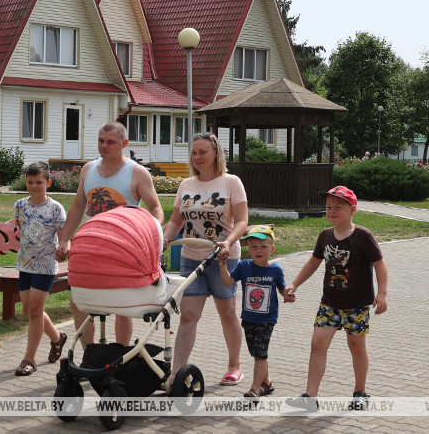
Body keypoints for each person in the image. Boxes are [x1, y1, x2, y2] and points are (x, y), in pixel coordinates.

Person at [55, 121, 163, 346]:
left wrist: (151, 235)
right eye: (101, 141)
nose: (104, 146)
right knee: (78, 302)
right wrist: (64, 239)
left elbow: (156, 208)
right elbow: (77, 206)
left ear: (124, 143)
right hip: (89, 248)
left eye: (110, 142)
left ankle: (120, 357)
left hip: (122, 251)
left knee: (122, 306)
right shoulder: (88, 169)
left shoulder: (137, 173)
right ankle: (89, 355)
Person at [284, 186, 389, 410]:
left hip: (357, 305)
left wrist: (382, 294)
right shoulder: (325, 236)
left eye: (337, 207)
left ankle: (360, 392)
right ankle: (310, 397)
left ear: (352, 210)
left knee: (356, 345)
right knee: (317, 344)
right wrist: (294, 284)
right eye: (328, 207)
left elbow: (379, 264)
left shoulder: (363, 236)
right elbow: (313, 262)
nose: (331, 211)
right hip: (329, 303)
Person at [161, 132, 248, 385]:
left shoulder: (231, 182)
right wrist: (164, 239)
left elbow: (242, 220)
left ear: (215, 154)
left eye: (203, 152)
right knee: (188, 315)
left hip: (223, 258)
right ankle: (177, 372)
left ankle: (234, 365)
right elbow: (176, 220)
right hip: (191, 257)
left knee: (227, 312)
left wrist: (228, 242)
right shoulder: (187, 185)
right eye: (194, 153)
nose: (198, 157)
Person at [220, 225, 294, 398]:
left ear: (272, 249)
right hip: (248, 318)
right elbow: (227, 282)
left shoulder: (275, 270)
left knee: (260, 355)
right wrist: (222, 264)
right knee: (256, 352)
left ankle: (255, 388)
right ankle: (267, 382)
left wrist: (288, 295)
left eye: (263, 247)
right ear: (248, 249)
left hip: (267, 320)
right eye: (253, 247)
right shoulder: (244, 266)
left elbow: (282, 289)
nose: (258, 250)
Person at [13, 162, 68, 376]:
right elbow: (20, 226)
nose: (34, 186)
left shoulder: (55, 208)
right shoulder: (19, 204)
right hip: (24, 264)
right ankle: (57, 337)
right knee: (28, 311)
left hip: (46, 265)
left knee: (35, 311)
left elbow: (64, 235)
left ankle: (29, 359)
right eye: (30, 182)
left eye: (39, 182)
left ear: (48, 183)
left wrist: (64, 248)